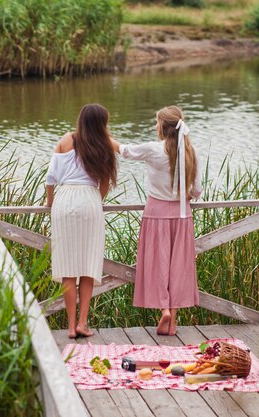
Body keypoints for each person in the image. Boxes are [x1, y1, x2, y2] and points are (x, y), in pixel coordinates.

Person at [112, 105, 202, 336]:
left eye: (156, 122)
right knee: (178, 266)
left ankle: (164, 309)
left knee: (158, 264)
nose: (155, 126)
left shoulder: (153, 150)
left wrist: (102, 135)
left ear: (163, 127)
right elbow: (197, 191)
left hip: (156, 214)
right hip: (182, 216)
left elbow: (124, 150)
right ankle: (173, 320)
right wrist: (184, 193)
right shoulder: (191, 152)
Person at [45, 103, 117, 339]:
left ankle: (70, 326)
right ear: (101, 124)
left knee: (68, 267)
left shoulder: (66, 140)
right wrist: (95, 201)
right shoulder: (103, 145)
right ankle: (83, 323)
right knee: (87, 266)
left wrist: (50, 204)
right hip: (89, 200)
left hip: (63, 201)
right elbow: (104, 185)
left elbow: (51, 178)